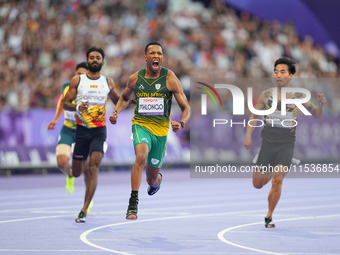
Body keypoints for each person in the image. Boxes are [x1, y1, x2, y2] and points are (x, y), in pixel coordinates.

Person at [109, 42, 191, 220]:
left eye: (159, 53)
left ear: (162, 57)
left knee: (151, 179)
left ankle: (157, 180)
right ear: (145, 57)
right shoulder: (135, 79)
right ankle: (133, 203)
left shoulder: (170, 79)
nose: (156, 56)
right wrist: (116, 111)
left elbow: (186, 108)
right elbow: (124, 98)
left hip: (161, 132)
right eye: (152, 53)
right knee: (141, 156)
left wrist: (182, 123)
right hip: (141, 125)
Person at [243, 57, 326, 228]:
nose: (278, 75)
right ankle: (268, 174)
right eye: (276, 72)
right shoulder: (266, 95)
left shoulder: (299, 97)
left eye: (282, 72)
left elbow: (317, 114)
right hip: (267, 143)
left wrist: (321, 105)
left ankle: (269, 215)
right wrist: (248, 135)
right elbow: (254, 115)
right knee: (257, 184)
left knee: (277, 180)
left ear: (290, 76)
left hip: (286, 145)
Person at [63, 46, 120, 223]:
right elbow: (66, 103)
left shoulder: (108, 82)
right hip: (81, 130)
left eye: (98, 58)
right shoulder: (77, 81)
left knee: (94, 168)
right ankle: (78, 168)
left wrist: (119, 109)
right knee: (78, 172)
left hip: (99, 130)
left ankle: (84, 209)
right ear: (87, 61)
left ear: (102, 62)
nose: (95, 60)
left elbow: (118, 100)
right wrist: (77, 107)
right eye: (92, 57)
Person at [47, 62, 87, 195]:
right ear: (74, 74)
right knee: (62, 162)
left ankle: (88, 198)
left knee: (85, 168)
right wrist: (55, 119)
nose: (80, 76)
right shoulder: (66, 86)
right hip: (68, 130)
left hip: (84, 131)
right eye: (78, 73)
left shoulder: (92, 90)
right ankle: (70, 176)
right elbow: (61, 103)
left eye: (83, 74)